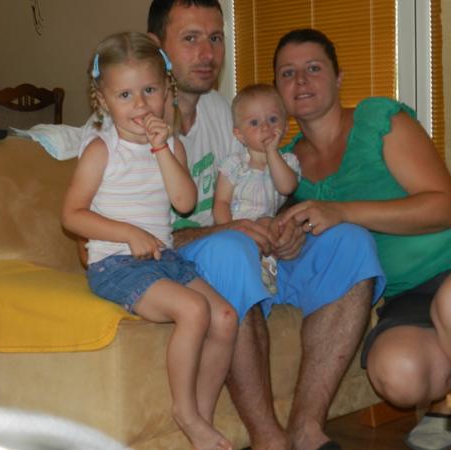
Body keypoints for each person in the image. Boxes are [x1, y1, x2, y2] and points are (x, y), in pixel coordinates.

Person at [147, 2, 386, 450]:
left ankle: (307, 427)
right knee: (231, 249)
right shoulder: (136, 125)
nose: (207, 53)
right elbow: (134, 236)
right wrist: (222, 232)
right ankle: (268, 438)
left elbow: (263, 187)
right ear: (156, 47)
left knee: (349, 242)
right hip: (189, 259)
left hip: (255, 249)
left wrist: (283, 228)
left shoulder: (230, 113)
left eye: (215, 38)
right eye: (191, 38)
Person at [273, 28, 451, 450]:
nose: (301, 80)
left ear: (339, 78)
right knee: (397, 375)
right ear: (278, 89)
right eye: (287, 73)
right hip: (407, 294)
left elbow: (444, 208)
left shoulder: (378, 121)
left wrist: (344, 211)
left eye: (313, 68)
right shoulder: (287, 167)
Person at [61, 31, 238, 450]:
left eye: (149, 90)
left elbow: (185, 202)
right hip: (114, 265)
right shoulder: (102, 150)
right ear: (103, 102)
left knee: (226, 317)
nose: (140, 105)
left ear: (167, 91)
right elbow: (72, 215)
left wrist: (162, 150)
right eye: (125, 95)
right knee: (193, 309)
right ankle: (186, 413)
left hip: (163, 260)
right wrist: (128, 233)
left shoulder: (171, 145)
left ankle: (202, 418)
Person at [213, 84, 300, 293]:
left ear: (285, 127)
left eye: (273, 119)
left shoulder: (288, 161)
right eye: (254, 122)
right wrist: (230, 230)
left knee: (273, 224)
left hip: (268, 228)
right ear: (240, 135)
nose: (265, 127)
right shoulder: (234, 164)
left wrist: (272, 153)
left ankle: (267, 270)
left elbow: (286, 187)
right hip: (238, 227)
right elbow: (221, 203)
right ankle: (250, 270)